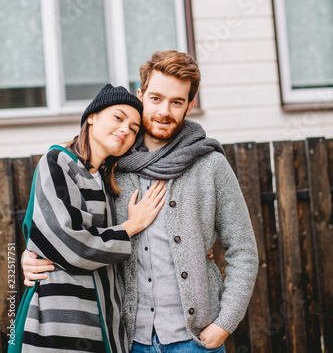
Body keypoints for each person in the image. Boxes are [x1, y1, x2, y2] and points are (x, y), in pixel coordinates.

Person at [23, 50, 259, 353]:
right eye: (157, 98)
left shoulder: (209, 164)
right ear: (141, 95)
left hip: (195, 340)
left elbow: (243, 250)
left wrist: (224, 323)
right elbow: (68, 227)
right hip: (129, 339)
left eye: (177, 102)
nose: (164, 111)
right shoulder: (111, 164)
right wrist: (31, 257)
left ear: (190, 104)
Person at [12, 84, 166, 353]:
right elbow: (70, 243)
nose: (125, 130)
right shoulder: (57, 161)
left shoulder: (110, 182)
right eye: (118, 118)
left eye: (133, 129)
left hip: (105, 326)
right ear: (91, 117)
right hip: (59, 322)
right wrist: (131, 226)